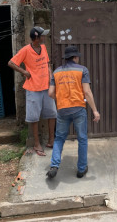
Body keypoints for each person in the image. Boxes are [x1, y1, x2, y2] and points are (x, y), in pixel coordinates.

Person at [46, 46, 100, 179]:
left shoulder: (57, 72)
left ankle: (54, 166)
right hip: (78, 108)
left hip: (62, 109)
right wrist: (95, 111)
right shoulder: (82, 70)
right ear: (75, 57)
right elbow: (87, 92)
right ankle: (81, 169)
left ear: (66, 58)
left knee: (59, 138)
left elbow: (51, 93)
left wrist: (62, 99)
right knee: (82, 139)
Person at [8, 26, 56, 157]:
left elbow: (47, 65)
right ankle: (36, 143)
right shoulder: (26, 50)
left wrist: (51, 80)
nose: (44, 37)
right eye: (42, 36)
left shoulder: (43, 48)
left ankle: (52, 140)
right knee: (34, 117)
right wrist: (24, 72)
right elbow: (11, 63)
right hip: (33, 88)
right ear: (36, 37)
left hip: (46, 87)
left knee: (52, 113)